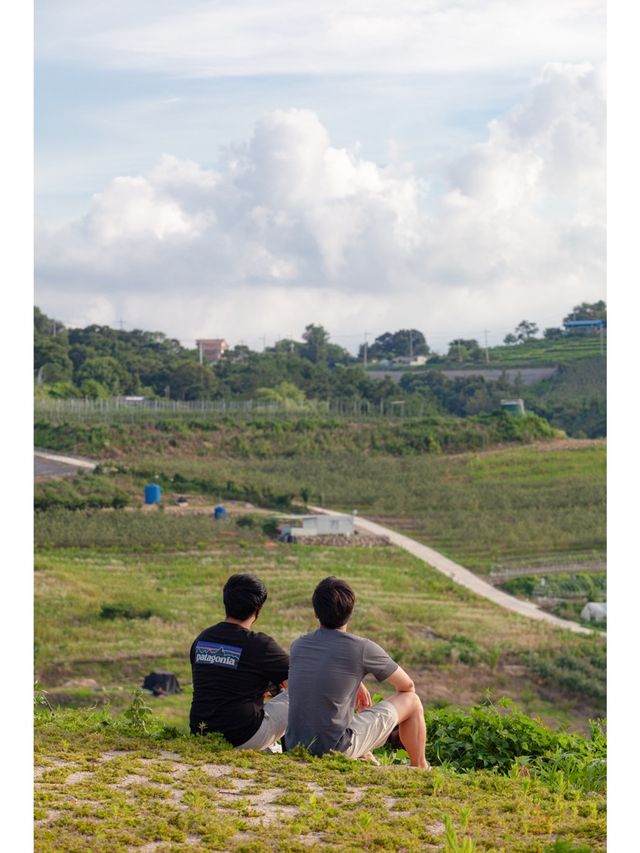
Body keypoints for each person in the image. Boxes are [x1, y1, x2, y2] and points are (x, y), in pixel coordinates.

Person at [285, 576, 430, 769]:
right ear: (350, 611)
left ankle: (364, 754)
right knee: (411, 700)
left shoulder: (298, 644)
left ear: (316, 613)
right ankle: (420, 766)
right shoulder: (362, 648)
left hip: (294, 745)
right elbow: (407, 686)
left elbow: (322, 674)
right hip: (333, 749)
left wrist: (357, 681)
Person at [189, 573, 289, 751]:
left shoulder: (202, 638)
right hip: (243, 736)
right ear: (257, 610)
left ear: (226, 602)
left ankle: (271, 746)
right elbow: (304, 675)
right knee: (297, 694)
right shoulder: (260, 645)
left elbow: (221, 680)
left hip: (200, 733)